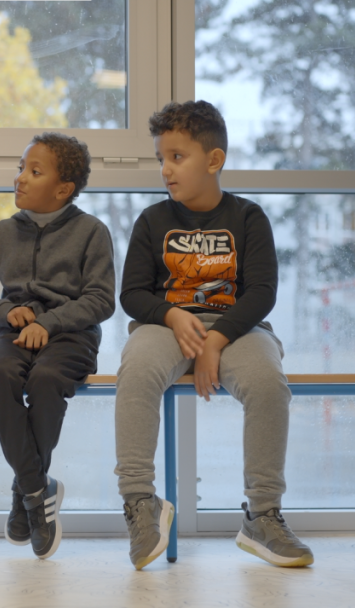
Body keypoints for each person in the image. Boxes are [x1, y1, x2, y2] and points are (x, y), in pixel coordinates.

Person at [115, 100, 314, 570]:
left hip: (238, 327)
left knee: (268, 383)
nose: (165, 169)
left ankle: (262, 515)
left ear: (214, 160)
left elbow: (262, 291)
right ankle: (140, 503)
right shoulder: (151, 221)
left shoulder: (248, 218)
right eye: (161, 158)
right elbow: (132, 294)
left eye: (176, 157)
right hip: (166, 326)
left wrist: (217, 340)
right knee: (136, 370)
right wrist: (171, 315)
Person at [0, 132, 115, 560]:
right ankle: (37, 490)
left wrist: (49, 323)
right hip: (14, 333)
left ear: (63, 188)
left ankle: (23, 492)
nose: (20, 178)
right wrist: (5, 312)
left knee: (46, 379)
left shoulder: (92, 232)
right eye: (21, 168)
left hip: (73, 335)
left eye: (34, 171)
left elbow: (101, 299)